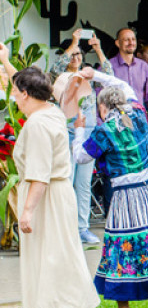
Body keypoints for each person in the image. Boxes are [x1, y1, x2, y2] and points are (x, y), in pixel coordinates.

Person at [1, 46, 98, 308]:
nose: (14, 97)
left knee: (52, 260)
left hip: (48, 197)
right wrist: (4, 58)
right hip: (53, 195)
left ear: (28, 94)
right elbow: (17, 80)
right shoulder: (49, 111)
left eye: (17, 93)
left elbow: (40, 174)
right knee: (44, 260)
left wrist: (26, 212)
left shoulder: (41, 123)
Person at [68, 70, 148, 308]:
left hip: (126, 197)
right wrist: (96, 75)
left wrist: (78, 132)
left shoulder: (104, 130)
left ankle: (124, 307)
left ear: (104, 107)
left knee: (121, 248)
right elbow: (122, 85)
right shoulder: (139, 113)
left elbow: (81, 157)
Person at [51, 29, 112, 244]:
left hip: (88, 135)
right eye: (73, 55)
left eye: (79, 55)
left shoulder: (88, 76)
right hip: (67, 134)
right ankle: (65, 229)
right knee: (66, 182)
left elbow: (109, 75)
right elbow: (56, 66)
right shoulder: (61, 77)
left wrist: (98, 49)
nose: (77, 58)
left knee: (84, 184)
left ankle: (82, 227)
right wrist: (75, 41)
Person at [109, 27, 148, 128]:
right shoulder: (108, 67)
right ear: (118, 43)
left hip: (140, 123)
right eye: (126, 40)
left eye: (133, 39)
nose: (131, 42)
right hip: (116, 125)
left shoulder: (144, 66)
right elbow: (100, 97)